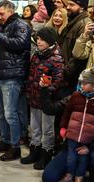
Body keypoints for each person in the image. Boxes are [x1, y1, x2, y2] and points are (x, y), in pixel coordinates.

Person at [0, 0, 31, 161]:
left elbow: (20, 44)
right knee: (0, 111)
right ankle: (5, 140)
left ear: (11, 11)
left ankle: (15, 146)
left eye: (2, 13)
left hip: (13, 74)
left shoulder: (20, 24)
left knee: (11, 113)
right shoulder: (3, 27)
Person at [57, 69, 94, 182]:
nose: (82, 85)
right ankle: (69, 174)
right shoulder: (76, 96)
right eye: (81, 83)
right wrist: (63, 127)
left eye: (85, 83)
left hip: (88, 136)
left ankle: (79, 177)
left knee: (83, 157)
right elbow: (67, 112)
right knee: (71, 157)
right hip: (72, 134)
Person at [22, 26, 64, 170]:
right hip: (34, 97)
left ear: (50, 40)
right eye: (38, 39)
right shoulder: (37, 55)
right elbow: (31, 75)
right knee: (34, 127)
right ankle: (35, 150)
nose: (38, 42)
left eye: (42, 39)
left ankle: (46, 154)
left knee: (47, 129)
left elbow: (58, 80)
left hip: (47, 100)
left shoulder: (56, 57)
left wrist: (47, 92)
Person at [61, 0, 89, 89]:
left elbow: (79, 53)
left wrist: (66, 71)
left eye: (72, 5)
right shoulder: (73, 21)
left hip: (73, 74)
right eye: (68, 4)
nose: (67, 7)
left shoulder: (84, 24)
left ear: (82, 7)